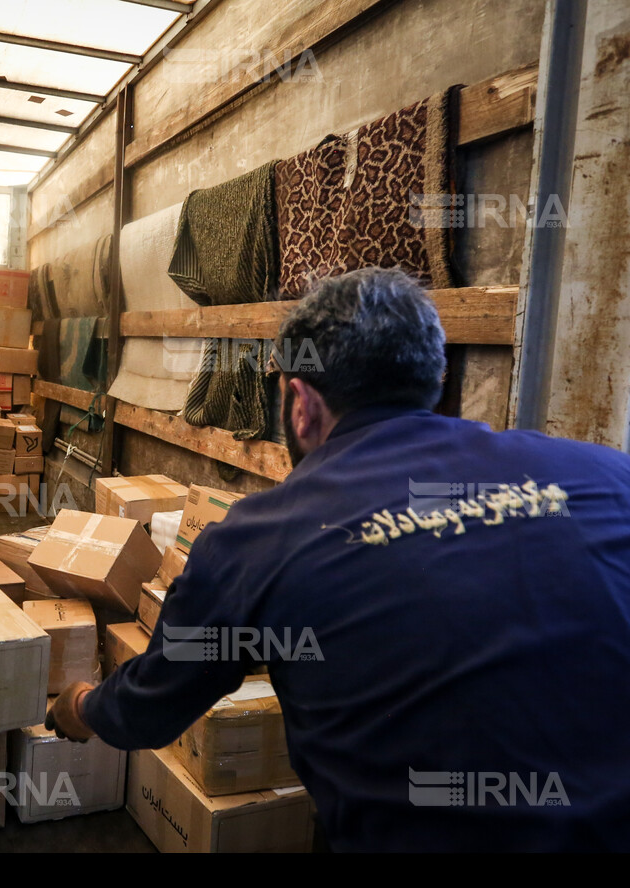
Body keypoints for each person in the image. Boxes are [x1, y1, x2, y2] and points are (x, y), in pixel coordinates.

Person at [46, 267, 630, 852]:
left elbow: (149, 710)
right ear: (434, 376)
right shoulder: (606, 477)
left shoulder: (259, 540)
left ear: (301, 404)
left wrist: (81, 705)